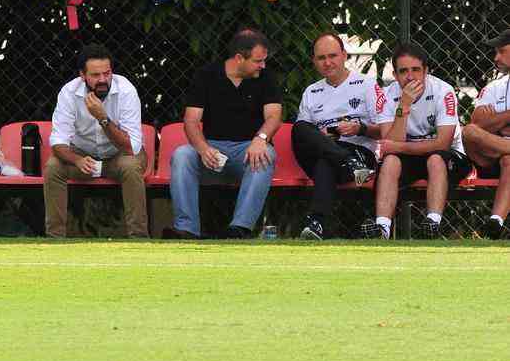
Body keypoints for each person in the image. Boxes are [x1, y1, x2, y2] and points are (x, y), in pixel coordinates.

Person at [163, 29, 282, 240]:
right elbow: (191, 121)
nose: (262, 65)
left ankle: (239, 229)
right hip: (211, 150)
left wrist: (260, 139)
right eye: (257, 61)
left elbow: (273, 116)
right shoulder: (206, 75)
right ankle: (186, 229)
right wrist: (203, 148)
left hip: (247, 151)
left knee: (266, 154)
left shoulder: (266, 78)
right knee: (182, 155)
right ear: (239, 58)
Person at [361, 41, 471, 240]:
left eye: (415, 70)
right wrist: (404, 105)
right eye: (403, 71)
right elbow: (389, 147)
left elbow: (442, 143)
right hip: (409, 157)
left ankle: (432, 224)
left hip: (448, 158)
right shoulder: (387, 96)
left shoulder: (443, 91)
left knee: (435, 159)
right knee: (391, 161)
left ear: (426, 71)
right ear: (395, 75)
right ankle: (382, 229)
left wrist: (401, 146)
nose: (410, 77)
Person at [44, 44, 148, 238]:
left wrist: (103, 118)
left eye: (107, 74)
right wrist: (77, 160)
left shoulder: (126, 90)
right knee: (53, 167)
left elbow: (130, 147)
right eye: (95, 75)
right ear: (82, 75)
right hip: (82, 157)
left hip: (119, 155)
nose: (102, 80)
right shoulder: (69, 92)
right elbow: (58, 142)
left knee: (131, 167)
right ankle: (55, 238)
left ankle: (139, 238)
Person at [292, 32, 383, 240]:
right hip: (331, 155)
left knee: (326, 161)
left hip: (359, 152)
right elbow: (305, 133)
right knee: (300, 128)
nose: (327, 62)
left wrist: (359, 128)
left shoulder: (367, 85)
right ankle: (348, 163)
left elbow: (385, 130)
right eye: (321, 58)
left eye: (332, 56)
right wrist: (322, 136)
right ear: (314, 61)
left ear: (344, 55)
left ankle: (316, 224)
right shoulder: (311, 91)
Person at [462, 29, 510, 239]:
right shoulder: (495, 87)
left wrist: (497, 119)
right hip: (489, 159)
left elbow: (488, 123)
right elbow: (477, 125)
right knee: (469, 131)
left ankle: (495, 222)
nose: (496, 57)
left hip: (505, 159)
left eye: (502, 51)